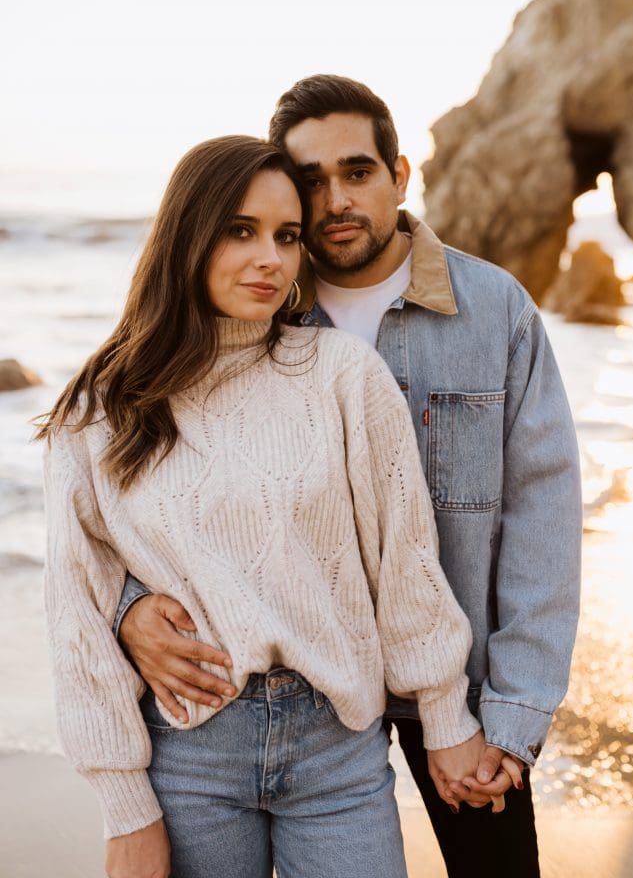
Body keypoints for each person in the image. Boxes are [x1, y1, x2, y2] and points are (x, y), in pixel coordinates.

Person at [115, 77, 583, 877]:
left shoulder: (492, 309)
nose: (334, 199)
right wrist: (132, 611)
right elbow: (157, 496)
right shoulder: (247, 311)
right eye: (311, 180)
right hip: (308, 685)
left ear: (400, 176)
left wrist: (512, 711)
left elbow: (542, 513)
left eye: (357, 172)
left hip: (460, 685)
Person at [39, 135, 509, 878]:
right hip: (189, 756)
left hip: (337, 752)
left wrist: (447, 716)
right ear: (186, 235)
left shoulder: (339, 375)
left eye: (287, 237)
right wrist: (124, 808)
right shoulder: (102, 410)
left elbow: (403, 561)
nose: (270, 259)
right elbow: (78, 608)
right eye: (240, 230)